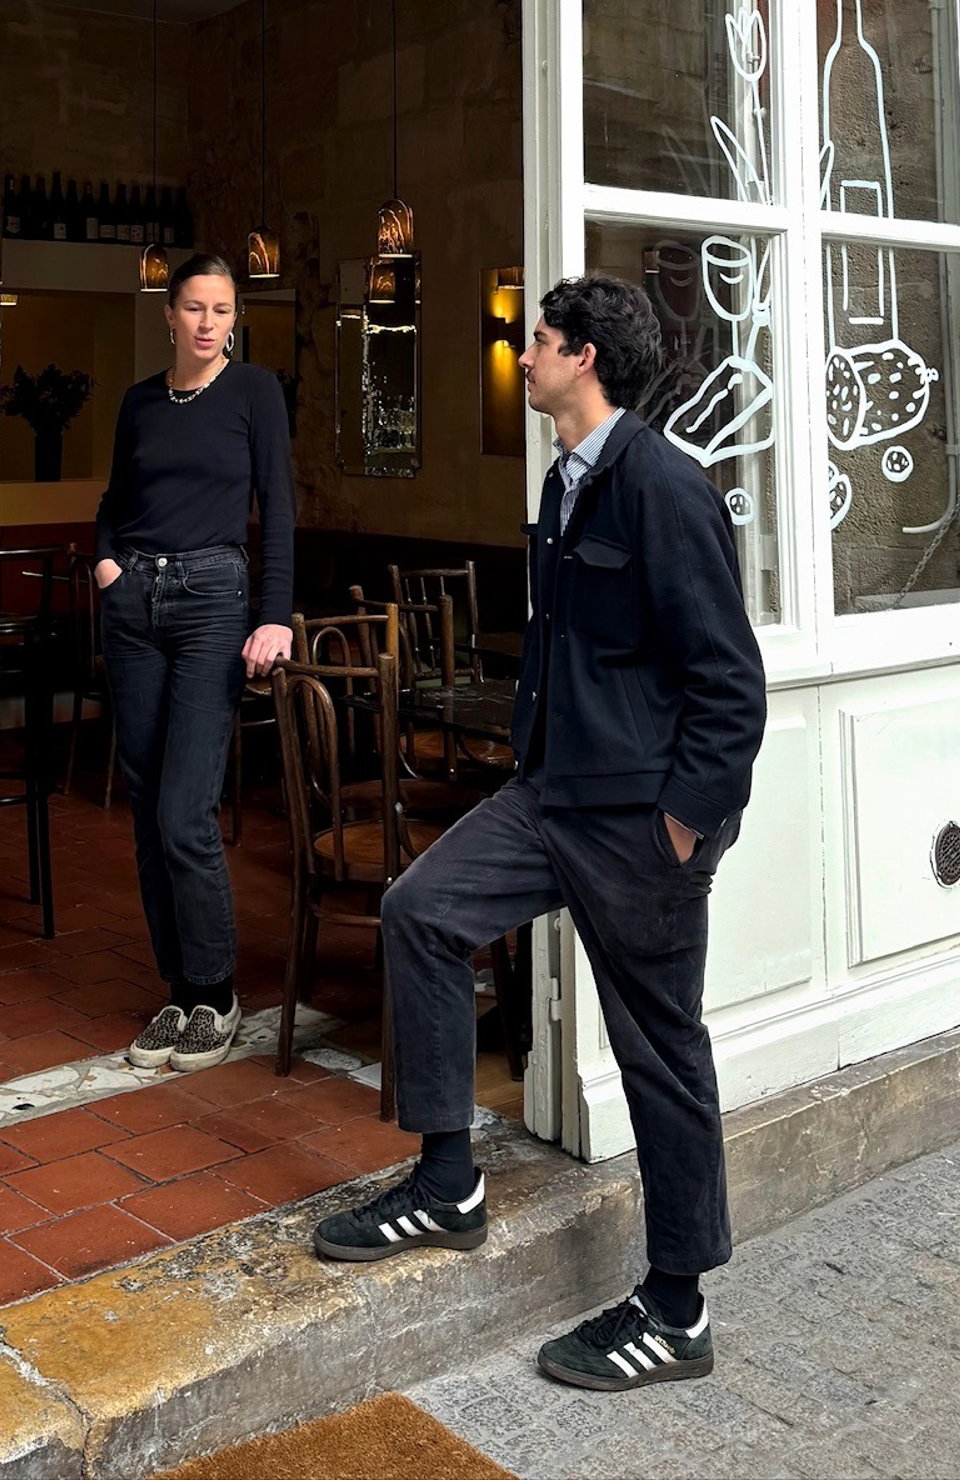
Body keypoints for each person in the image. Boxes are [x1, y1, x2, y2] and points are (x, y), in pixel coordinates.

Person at [312, 272, 767, 1399]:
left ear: (586, 362)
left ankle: (676, 1307)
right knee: (421, 911)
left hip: (637, 825)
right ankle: (448, 1180)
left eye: (541, 341)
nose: (526, 352)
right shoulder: (564, 481)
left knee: (661, 1051)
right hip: (549, 794)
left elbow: (731, 686)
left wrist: (679, 829)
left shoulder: (662, 486)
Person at [94, 252, 296, 1073]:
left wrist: (274, 616)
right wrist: (104, 563)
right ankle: (178, 989)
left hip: (214, 599)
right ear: (168, 316)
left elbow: (278, 506)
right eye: (195, 308)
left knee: (185, 810)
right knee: (146, 807)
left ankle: (216, 991)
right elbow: (113, 501)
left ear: (233, 318)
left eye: (223, 309)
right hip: (132, 598)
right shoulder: (140, 402)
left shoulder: (254, 393)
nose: (209, 322)